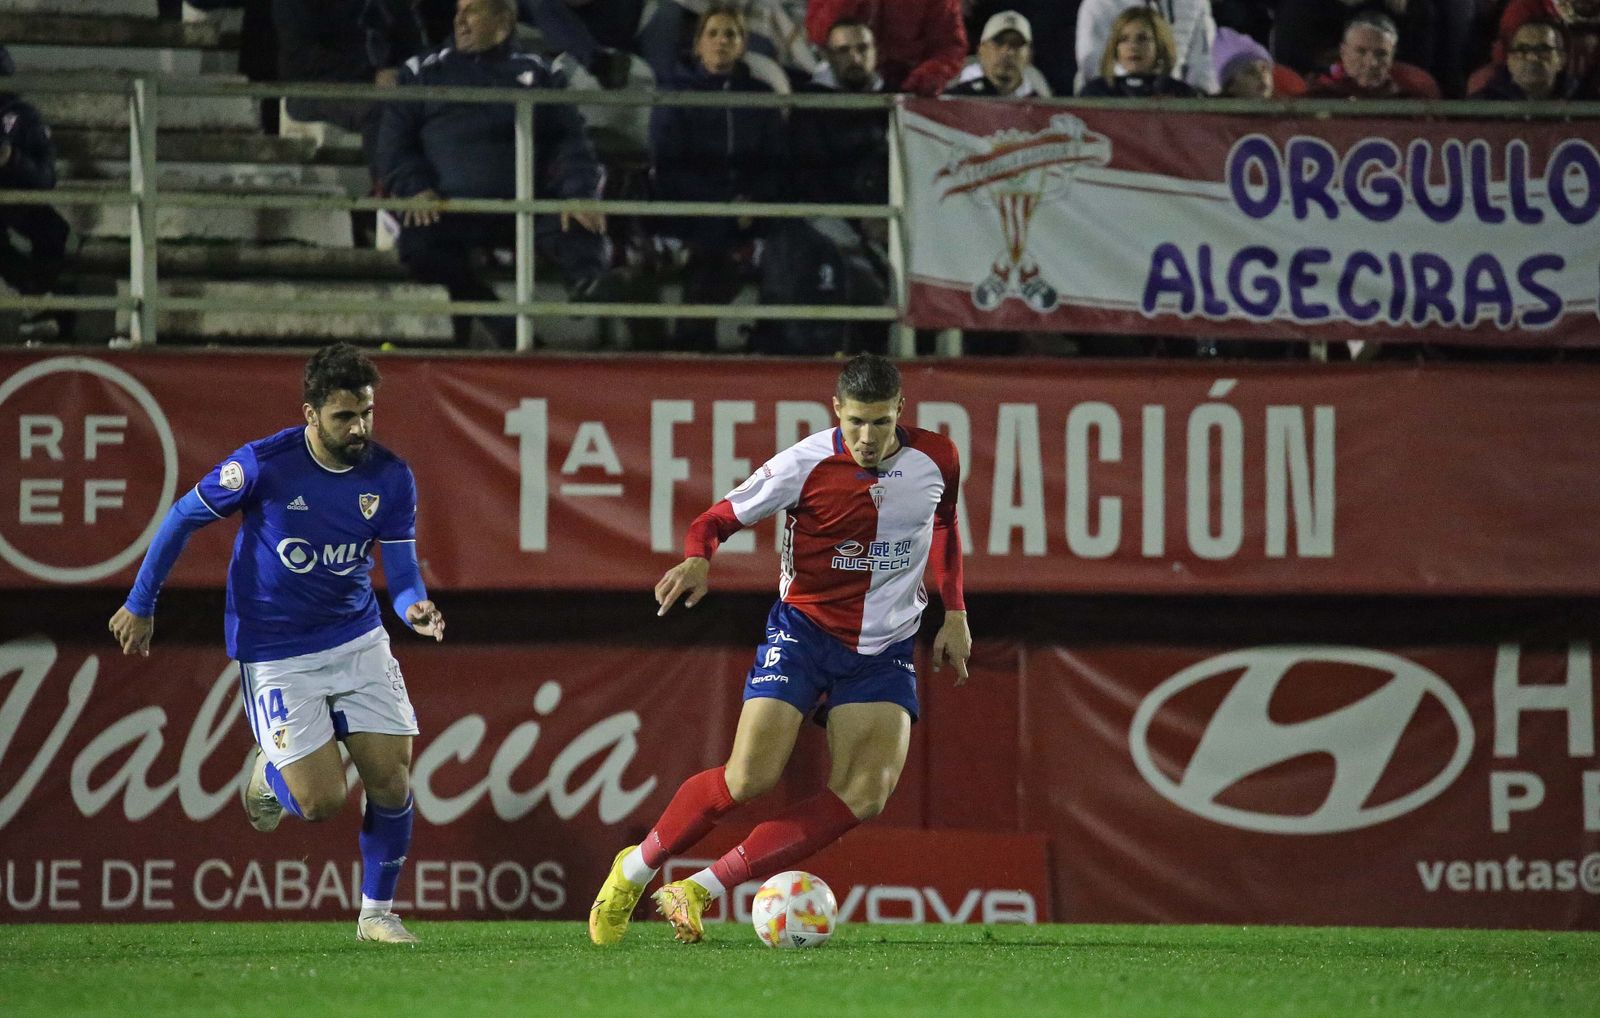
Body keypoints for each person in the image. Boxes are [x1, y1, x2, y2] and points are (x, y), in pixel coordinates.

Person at [588, 353, 972, 946]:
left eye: (880, 423)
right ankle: (633, 869)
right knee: (749, 778)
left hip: (886, 645)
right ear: (836, 411)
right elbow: (713, 519)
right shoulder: (805, 464)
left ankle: (700, 889)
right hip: (804, 633)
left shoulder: (938, 457)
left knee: (865, 794)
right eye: (855, 424)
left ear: (900, 410)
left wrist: (957, 613)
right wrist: (698, 558)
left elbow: (944, 526)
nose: (867, 438)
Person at [108, 344, 444, 945]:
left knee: (392, 781)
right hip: (277, 650)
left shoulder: (391, 477)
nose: (359, 427)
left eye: (366, 413)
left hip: (357, 639)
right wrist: (141, 601)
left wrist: (413, 606)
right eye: (344, 416)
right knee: (320, 804)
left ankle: (376, 915)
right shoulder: (263, 465)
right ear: (311, 414)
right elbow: (183, 517)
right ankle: (268, 771)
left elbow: (402, 572)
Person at [376, 0, 618, 349]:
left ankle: (590, 289)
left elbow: (571, 142)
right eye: (458, 10)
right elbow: (394, 145)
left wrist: (578, 192)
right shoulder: (422, 71)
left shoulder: (540, 73)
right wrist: (416, 187)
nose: (460, 20)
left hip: (525, 205)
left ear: (505, 19)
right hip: (447, 207)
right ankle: (503, 325)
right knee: (420, 248)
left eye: (473, 10)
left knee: (581, 223)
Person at [649, 3, 786, 350]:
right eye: (712, 33)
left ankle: (691, 344)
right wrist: (722, 203)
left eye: (731, 34)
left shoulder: (760, 97)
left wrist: (753, 199)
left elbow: (775, 161)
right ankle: (692, 342)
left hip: (750, 212)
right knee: (714, 248)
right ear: (698, 44)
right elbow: (669, 165)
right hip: (692, 210)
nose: (721, 41)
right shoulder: (675, 94)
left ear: (742, 44)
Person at [0, 45, 73, 342]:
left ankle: (39, 303)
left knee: (54, 229)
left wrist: (11, 159)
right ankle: (36, 302)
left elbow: (46, 177)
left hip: (14, 201)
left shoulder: (23, 118)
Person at [804, 0, 967, 95]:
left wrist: (925, 79)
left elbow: (949, 46)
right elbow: (819, 34)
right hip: (839, 80)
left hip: (907, 88)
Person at [1075, 0, 1218, 94]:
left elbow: (1204, 60)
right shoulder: (1099, 3)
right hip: (1113, 103)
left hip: (1173, 104)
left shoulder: (1195, 3)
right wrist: (1132, 88)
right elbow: (1092, 64)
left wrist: (1196, 101)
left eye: (1142, 39)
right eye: (1124, 39)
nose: (1132, 46)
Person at [1303, 10, 1441, 97]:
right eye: (1361, 52)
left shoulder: (1410, 103)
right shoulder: (1319, 97)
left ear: (1393, 56)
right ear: (1343, 52)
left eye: (1381, 54)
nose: (1371, 63)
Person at [945, 11, 1049, 97]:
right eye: (998, 42)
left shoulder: (1041, 108)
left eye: (1017, 44)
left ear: (1029, 56)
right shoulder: (957, 98)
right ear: (981, 50)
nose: (1008, 52)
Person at [1472, 19, 1580, 99]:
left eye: (1543, 49)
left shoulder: (1582, 98)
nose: (1532, 57)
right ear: (1509, 60)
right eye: (1522, 49)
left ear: (1561, 59)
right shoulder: (1482, 104)